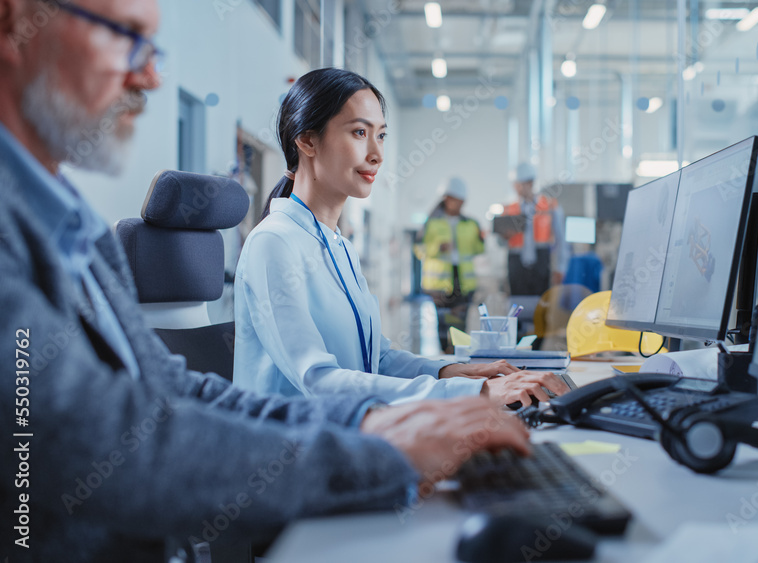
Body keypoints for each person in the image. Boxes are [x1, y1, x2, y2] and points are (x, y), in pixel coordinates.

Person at [0, 1, 530, 560]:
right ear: (14, 19)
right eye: (125, 36)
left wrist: (405, 410)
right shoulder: (273, 243)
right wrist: (386, 448)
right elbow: (95, 446)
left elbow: (179, 392)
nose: (151, 75)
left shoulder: (77, 233)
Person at [233, 68, 569, 406]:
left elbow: (377, 360)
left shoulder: (339, 248)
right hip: (297, 449)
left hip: (348, 435)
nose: (376, 154)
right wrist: (476, 393)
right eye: (359, 132)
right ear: (307, 141)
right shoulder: (274, 243)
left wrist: (451, 371)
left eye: (380, 136)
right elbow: (319, 381)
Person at [418, 177, 484, 352]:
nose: (460, 205)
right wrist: (437, 248)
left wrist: (485, 238)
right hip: (439, 283)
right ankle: (444, 358)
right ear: (446, 198)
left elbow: (479, 249)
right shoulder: (431, 223)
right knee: (443, 323)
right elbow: (419, 249)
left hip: (463, 281)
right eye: (457, 200)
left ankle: (459, 357)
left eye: (462, 201)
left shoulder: (471, 224)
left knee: (460, 323)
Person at [499, 162, 571, 296]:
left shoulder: (549, 205)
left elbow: (561, 240)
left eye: (521, 185)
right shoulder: (509, 208)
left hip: (541, 261)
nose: (518, 189)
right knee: (518, 305)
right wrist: (504, 237)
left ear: (530, 183)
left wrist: (561, 267)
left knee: (540, 306)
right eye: (516, 185)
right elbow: (500, 242)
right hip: (516, 263)